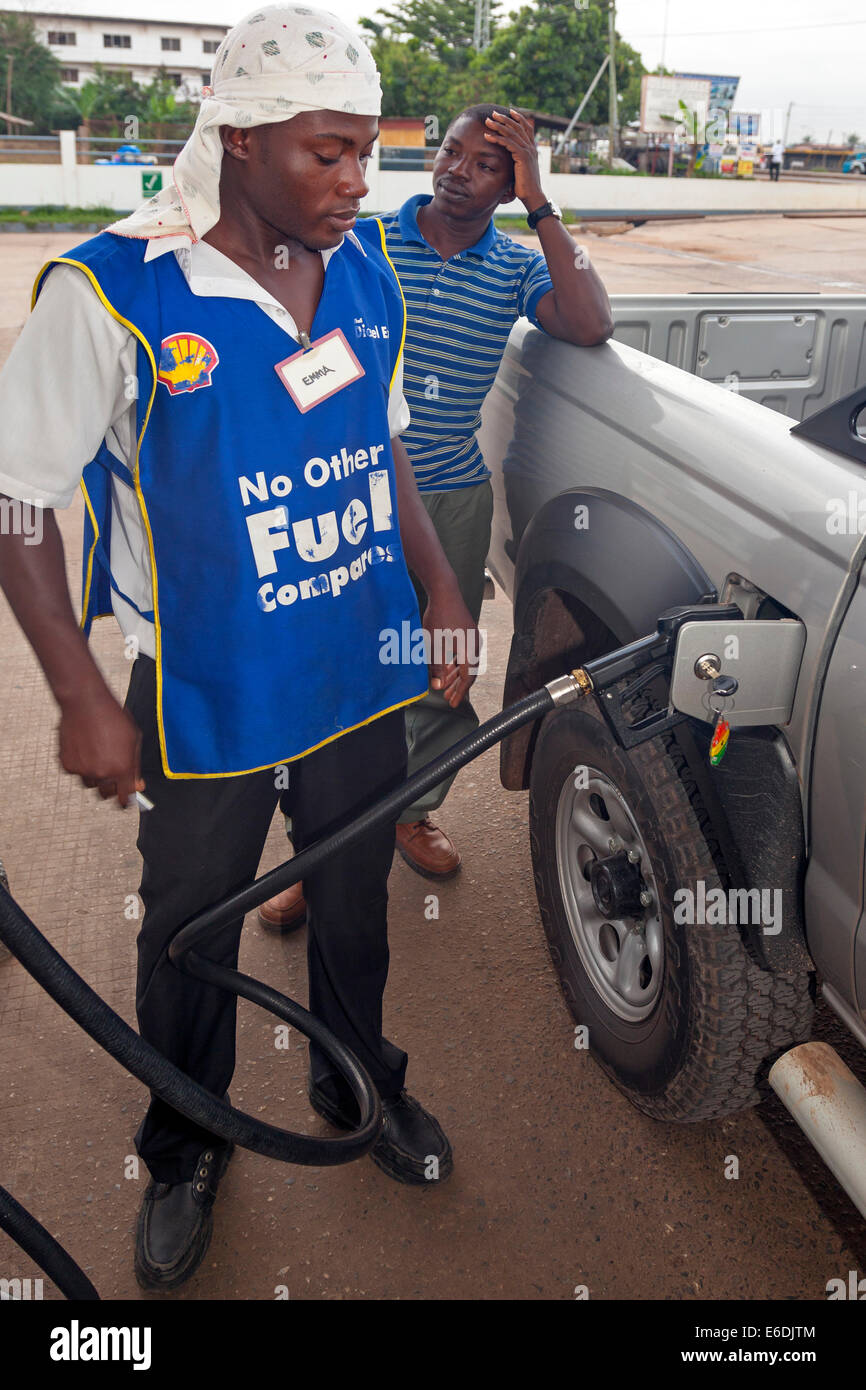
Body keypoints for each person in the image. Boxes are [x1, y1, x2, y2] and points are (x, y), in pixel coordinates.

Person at [0, 5, 476, 1292]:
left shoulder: (363, 266)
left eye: (365, 151)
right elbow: (19, 499)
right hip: (206, 682)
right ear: (244, 138)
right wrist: (79, 689)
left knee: (354, 903)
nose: (353, 181)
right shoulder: (116, 289)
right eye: (325, 153)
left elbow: (382, 446)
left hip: (357, 660)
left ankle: (354, 1088)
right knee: (190, 932)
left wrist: (438, 587)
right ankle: (186, 1144)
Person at [259, 102, 612, 929]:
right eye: (449, 151)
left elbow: (592, 322)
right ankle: (320, 850)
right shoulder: (364, 243)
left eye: (483, 164)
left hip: (451, 495)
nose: (456, 168)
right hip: (345, 487)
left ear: (509, 181)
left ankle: (407, 811)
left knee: (442, 668)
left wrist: (543, 203)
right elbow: (298, 356)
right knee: (336, 667)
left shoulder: (517, 266)